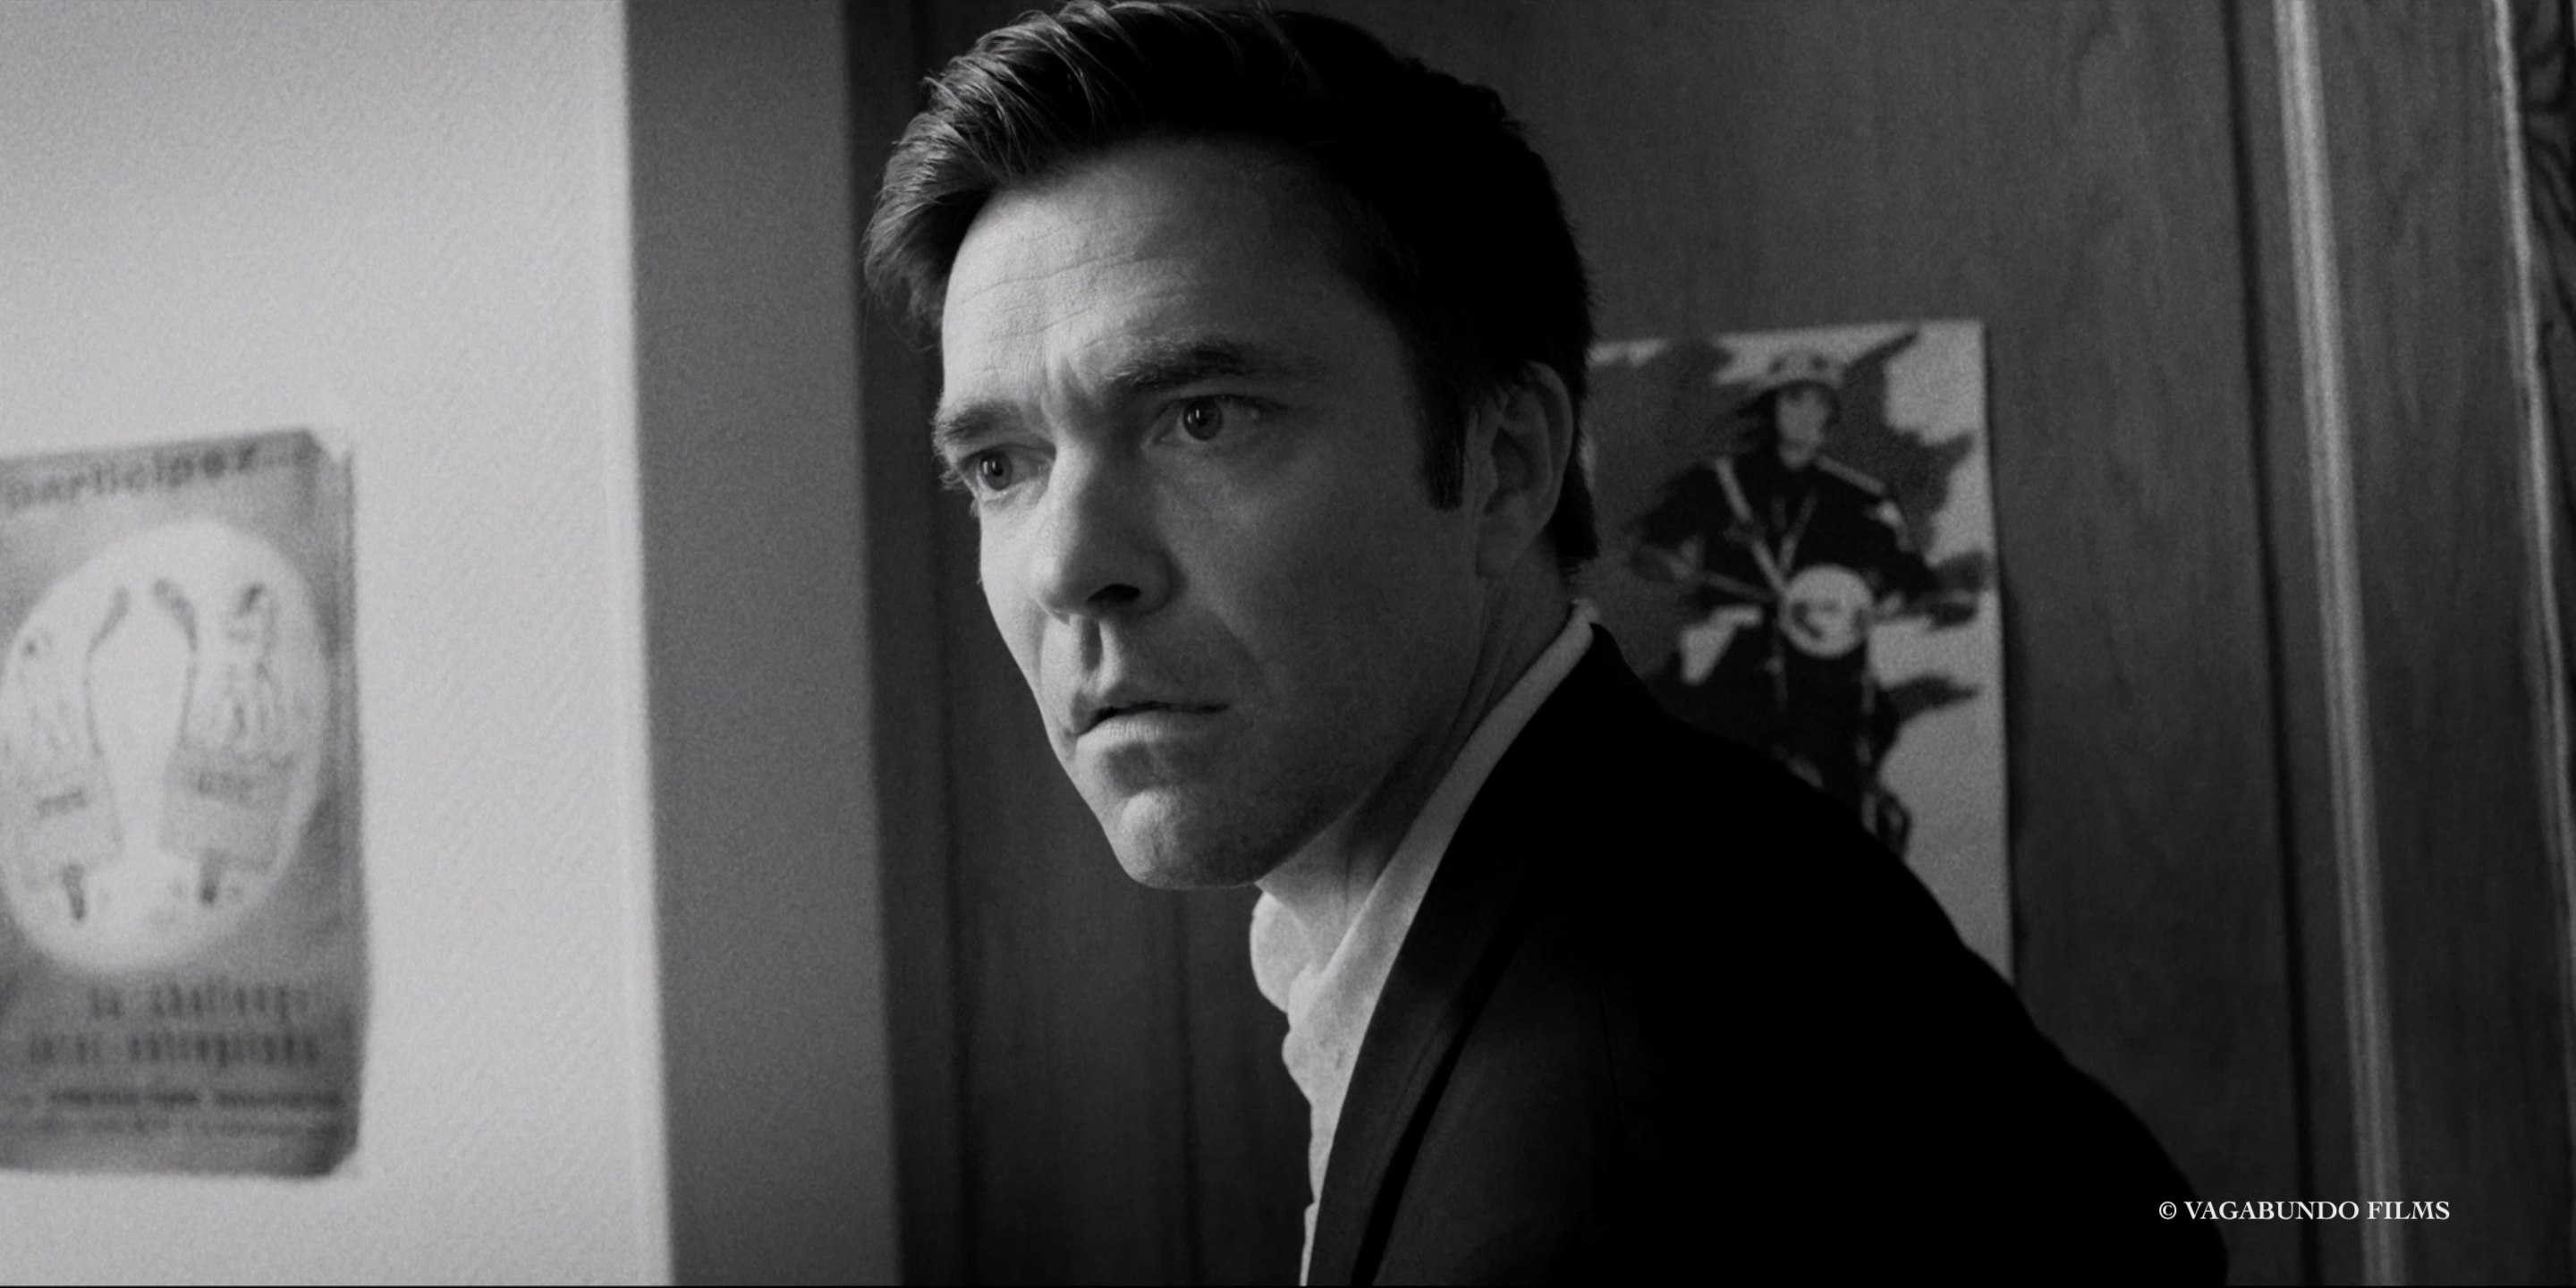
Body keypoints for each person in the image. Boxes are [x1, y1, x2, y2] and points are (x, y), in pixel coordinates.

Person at [863, 3, 2223, 1281]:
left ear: (1505, 464)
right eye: (1000, 466)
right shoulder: (1693, 851)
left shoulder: (1608, 1160)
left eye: (1202, 417)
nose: (1066, 567)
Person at [1631, 350, 1945, 851]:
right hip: (1735, 652)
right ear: (1770, 407)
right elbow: (1654, 545)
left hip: (1825, 659)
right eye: (1795, 398)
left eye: (1821, 402)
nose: (1808, 413)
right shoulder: (1719, 482)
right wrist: (1675, 561)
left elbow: (1911, 577)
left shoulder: (1859, 496)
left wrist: (1890, 598)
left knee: (1853, 752)